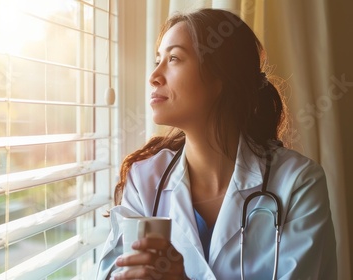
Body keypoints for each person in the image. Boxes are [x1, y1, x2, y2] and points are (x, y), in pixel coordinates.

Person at [96, 8, 337, 280]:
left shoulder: (299, 183)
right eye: (157, 60)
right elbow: (110, 272)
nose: (154, 76)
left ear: (221, 77)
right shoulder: (145, 180)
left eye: (173, 58)